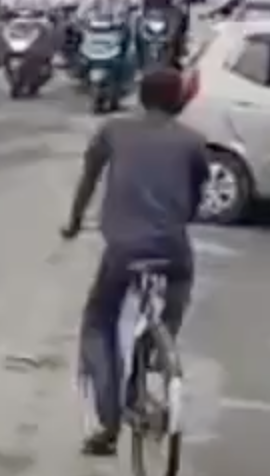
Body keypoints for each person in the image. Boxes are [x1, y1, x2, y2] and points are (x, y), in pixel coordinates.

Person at [59, 68, 210, 457]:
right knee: (177, 291)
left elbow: (88, 178)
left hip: (124, 250)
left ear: (140, 97)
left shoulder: (114, 131)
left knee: (99, 321)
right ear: (179, 101)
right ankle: (157, 350)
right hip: (173, 249)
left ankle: (108, 424)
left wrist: (75, 222)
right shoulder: (193, 143)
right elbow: (195, 199)